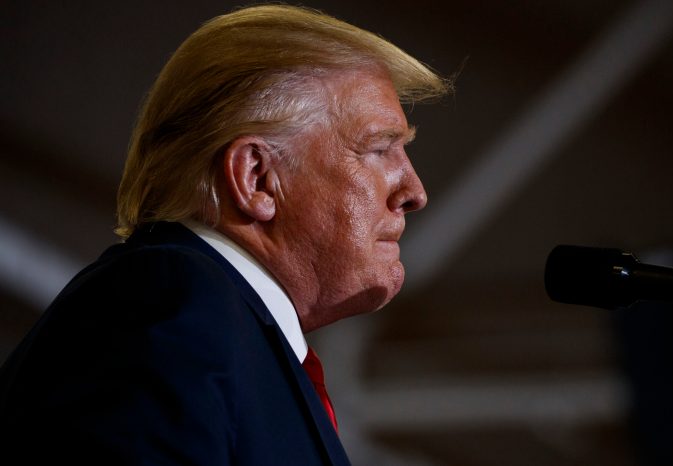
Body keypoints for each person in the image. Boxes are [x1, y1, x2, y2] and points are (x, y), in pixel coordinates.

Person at [0, 5, 450, 465]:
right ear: (257, 178)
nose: (414, 192)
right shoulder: (172, 299)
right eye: (379, 149)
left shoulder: (223, 330)